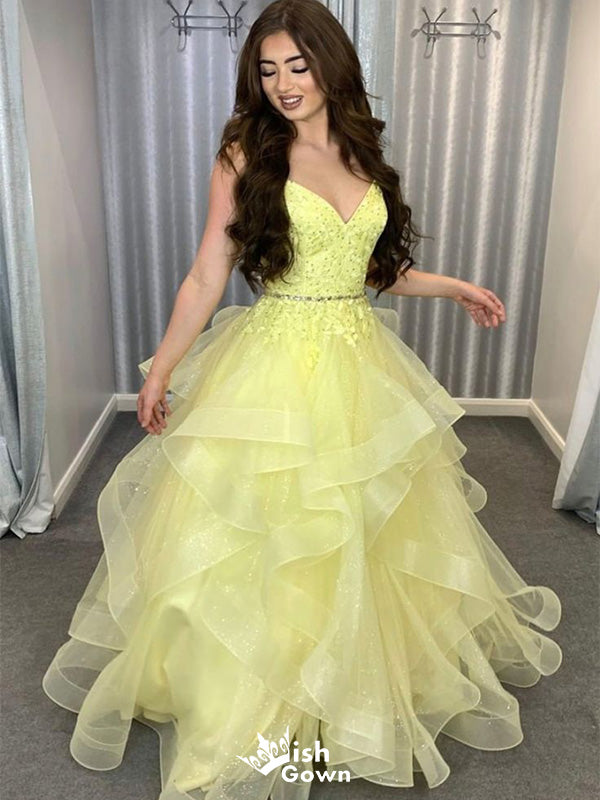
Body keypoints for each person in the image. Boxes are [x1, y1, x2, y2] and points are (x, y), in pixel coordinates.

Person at [42, 1, 563, 798]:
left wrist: (453, 287)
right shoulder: (245, 152)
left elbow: (372, 268)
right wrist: (161, 370)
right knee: (272, 531)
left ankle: (353, 681)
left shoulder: (361, 148)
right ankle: (256, 693)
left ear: (330, 65)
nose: (284, 83)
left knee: (368, 527)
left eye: (298, 65)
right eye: (268, 69)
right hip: (276, 363)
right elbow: (207, 273)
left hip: (359, 363)